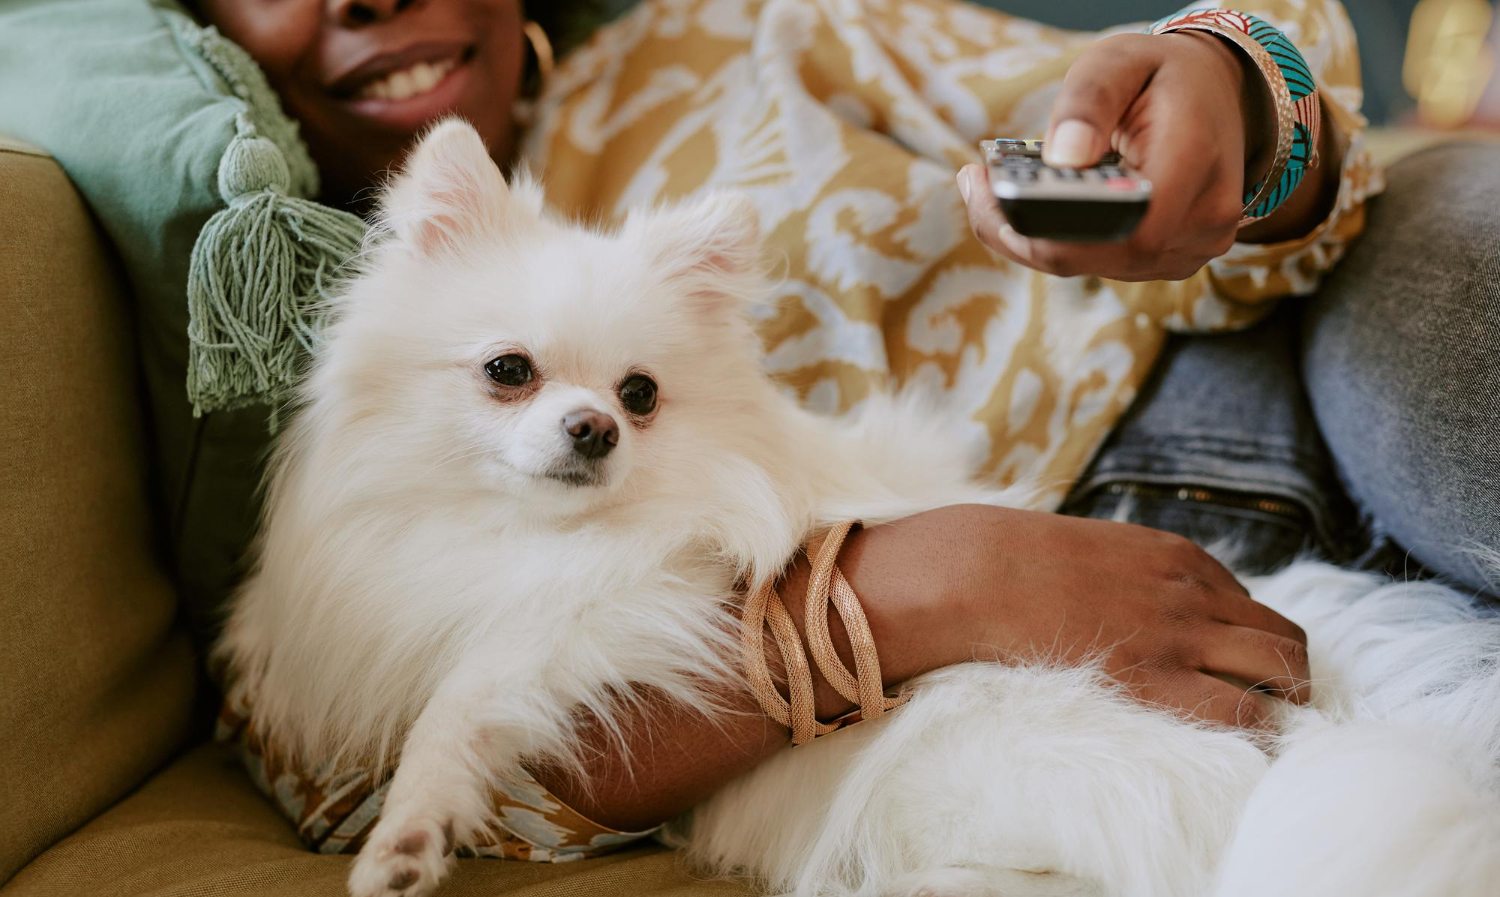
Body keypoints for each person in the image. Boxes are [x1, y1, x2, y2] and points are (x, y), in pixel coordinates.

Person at [194, 0, 1499, 837]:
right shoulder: (268, 327)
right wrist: (920, 588)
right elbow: (351, 768)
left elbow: (1246, 154)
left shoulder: (729, 38)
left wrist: (1229, 106)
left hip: (1277, 367)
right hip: (1054, 656)